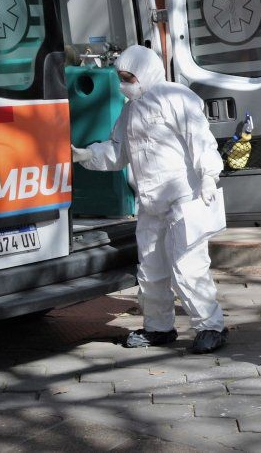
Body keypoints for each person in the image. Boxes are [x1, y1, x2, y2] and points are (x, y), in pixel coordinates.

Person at [71, 45, 229, 351]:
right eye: (121, 78)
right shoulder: (129, 111)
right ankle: (158, 328)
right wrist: (88, 154)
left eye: (128, 77)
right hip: (150, 202)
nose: (124, 84)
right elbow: (118, 152)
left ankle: (211, 327)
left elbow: (200, 139)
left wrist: (209, 175)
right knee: (151, 271)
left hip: (185, 198)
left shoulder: (176, 97)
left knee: (189, 267)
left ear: (145, 72)